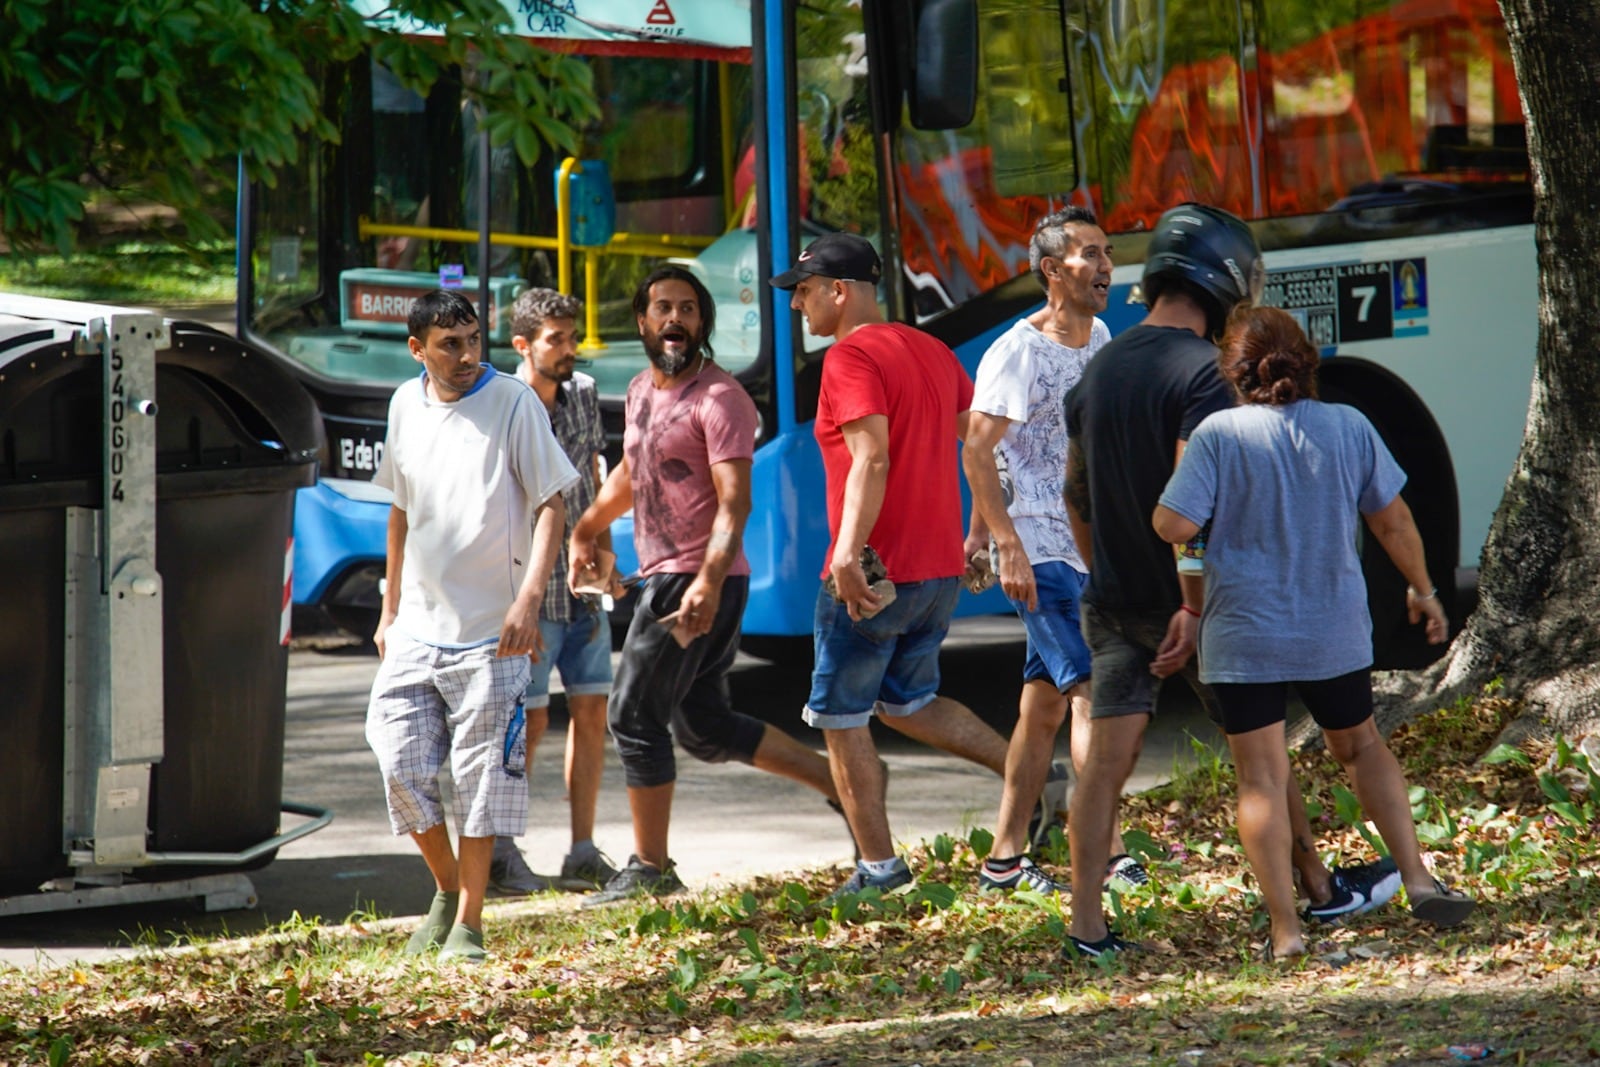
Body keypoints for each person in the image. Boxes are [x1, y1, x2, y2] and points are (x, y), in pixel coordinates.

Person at [1062, 204, 1400, 958]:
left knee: (1106, 764)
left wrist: (1104, 574)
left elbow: (1074, 495)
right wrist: (1190, 602)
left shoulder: (1099, 369)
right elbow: (1197, 504)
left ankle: (1086, 925)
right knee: (1261, 754)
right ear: (1222, 284)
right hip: (1199, 608)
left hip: (1112, 600)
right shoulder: (1203, 377)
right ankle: (1315, 889)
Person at [1153, 305, 1475, 959]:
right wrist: (1424, 589)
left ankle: (1287, 930)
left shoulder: (1218, 435)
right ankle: (1416, 876)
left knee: (1263, 779)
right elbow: (1393, 522)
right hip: (1331, 625)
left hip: (1244, 631)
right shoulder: (1349, 426)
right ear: (1307, 361)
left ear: (1233, 373)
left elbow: (1172, 525)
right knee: (1361, 746)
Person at [568, 265, 849, 907]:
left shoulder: (719, 398)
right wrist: (586, 529)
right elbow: (636, 474)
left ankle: (651, 866)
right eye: (663, 307)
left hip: (695, 579)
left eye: (688, 309)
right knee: (703, 723)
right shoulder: (641, 389)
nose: (675, 319)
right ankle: (845, 781)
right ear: (642, 321)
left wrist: (708, 582)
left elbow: (735, 502)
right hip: (671, 576)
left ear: (703, 323)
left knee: (633, 714)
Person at [772, 233, 1017, 901]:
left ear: (838, 291)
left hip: (875, 574)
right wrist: (978, 530)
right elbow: (979, 442)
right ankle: (1027, 771)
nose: (797, 305)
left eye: (803, 290)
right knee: (910, 702)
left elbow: (870, 459)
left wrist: (847, 554)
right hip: (936, 571)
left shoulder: (849, 357)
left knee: (840, 718)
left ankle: (880, 870)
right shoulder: (935, 350)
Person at [365, 290, 578, 962]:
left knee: (483, 777)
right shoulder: (405, 403)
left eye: (472, 340)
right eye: (448, 344)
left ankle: (470, 924)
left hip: (495, 631)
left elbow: (552, 505)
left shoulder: (513, 401)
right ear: (417, 349)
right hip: (416, 630)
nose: (464, 355)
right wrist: (388, 606)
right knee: (397, 758)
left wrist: (530, 599)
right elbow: (400, 511)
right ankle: (447, 886)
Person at [963, 207, 1148, 896]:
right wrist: (1002, 543)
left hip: (1080, 542)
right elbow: (977, 450)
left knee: (1041, 707)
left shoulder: (1098, 335)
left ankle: (1004, 859)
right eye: (1090, 255)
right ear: (1051, 271)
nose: (1105, 266)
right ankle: (1102, 852)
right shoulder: (1017, 351)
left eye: (1107, 253)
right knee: (1090, 691)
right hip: (1037, 546)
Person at [487, 288, 620, 896]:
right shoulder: (502, 404)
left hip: (583, 584)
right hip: (531, 591)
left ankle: (583, 848)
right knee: (528, 721)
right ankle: (503, 850)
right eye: (555, 340)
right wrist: (518, 600)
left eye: (572, 338)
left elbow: (594, 477)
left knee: (592, 711)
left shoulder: (585, 394)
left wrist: (606, 551)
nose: (568, 350)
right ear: (523, 346)